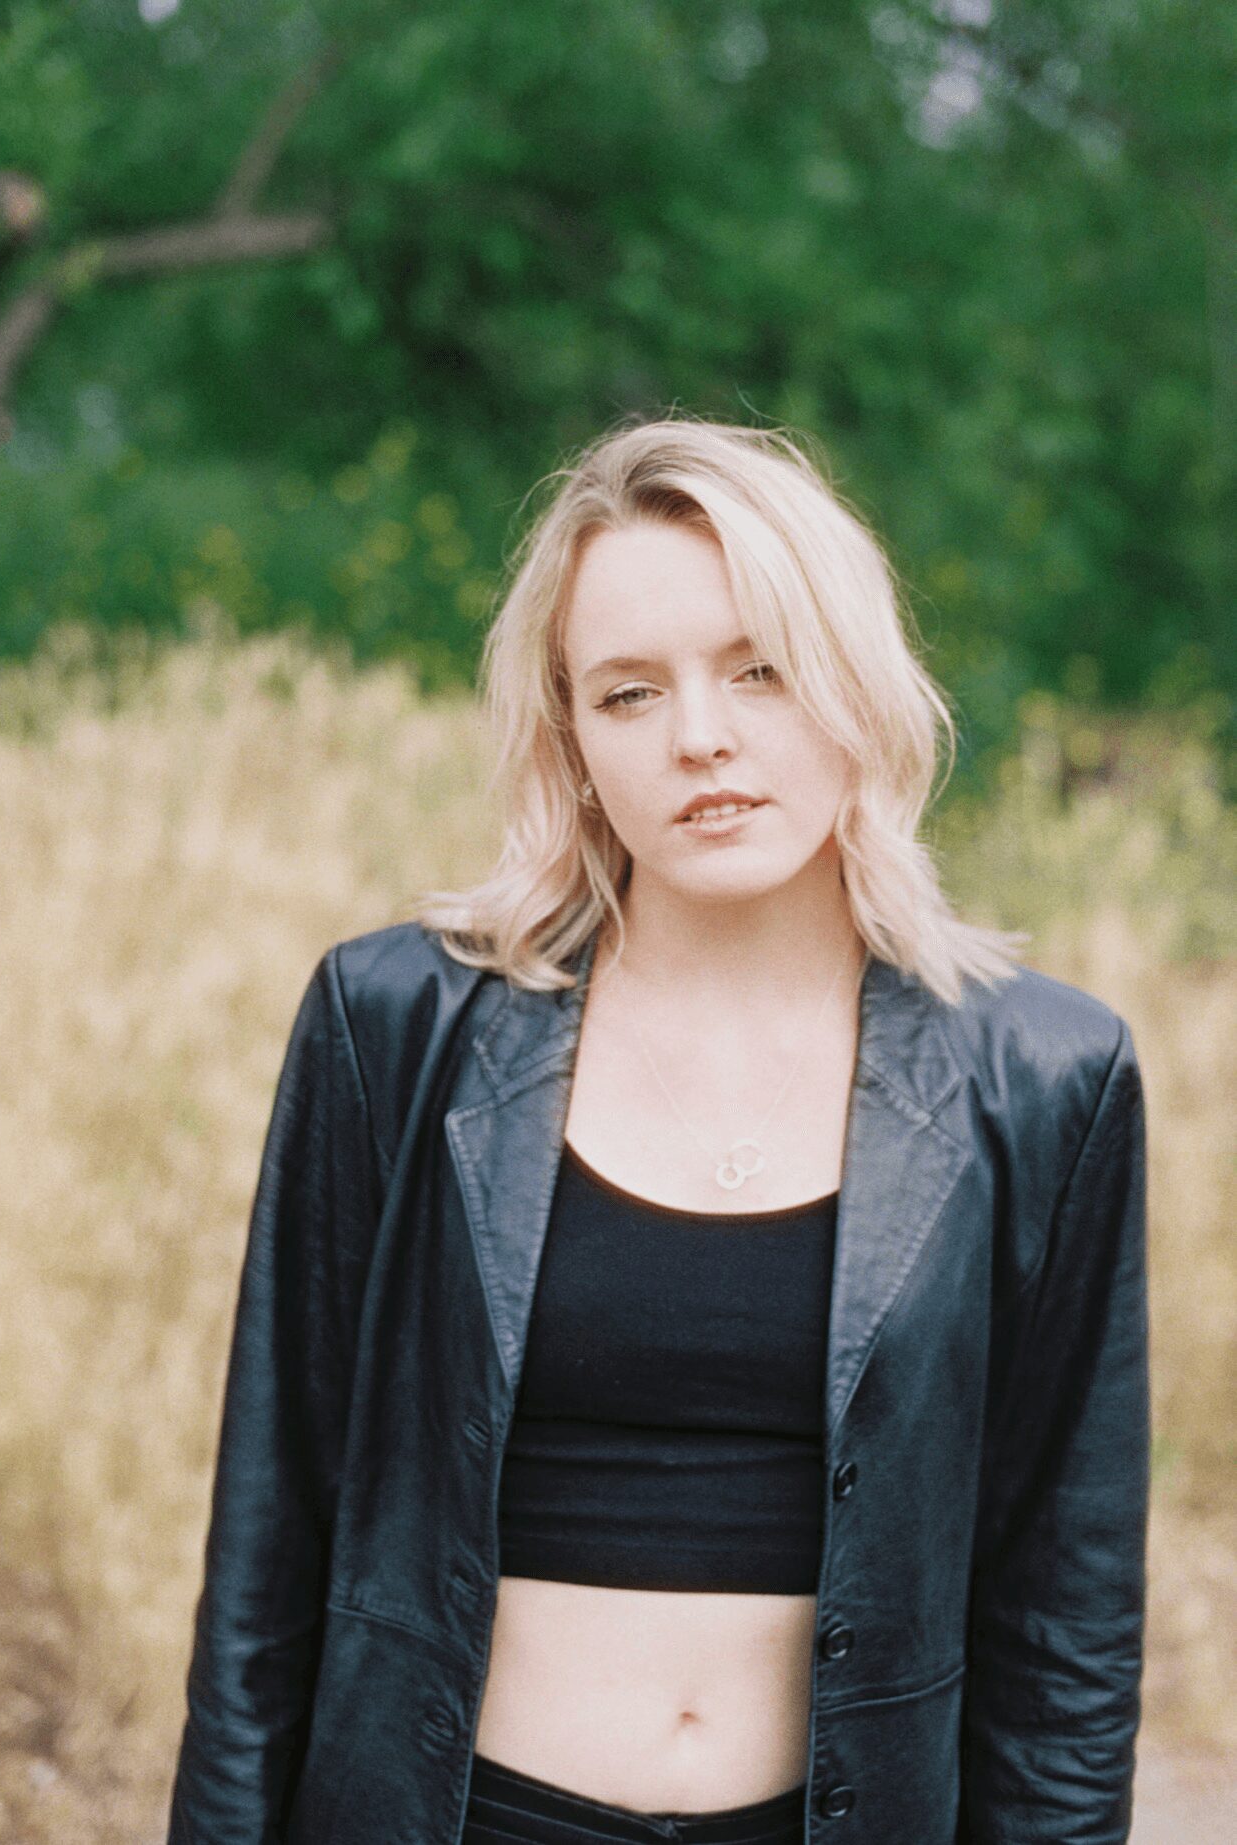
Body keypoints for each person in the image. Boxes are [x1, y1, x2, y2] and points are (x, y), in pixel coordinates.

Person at [166, 414, 1150, 1845]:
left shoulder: (1045, 1076)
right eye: (629, 693)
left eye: (760, 669)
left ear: (857, 684)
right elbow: (270, 1539)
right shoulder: (394, 1026)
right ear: (571, 737)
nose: (702, 737)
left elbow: (1065, 1619)